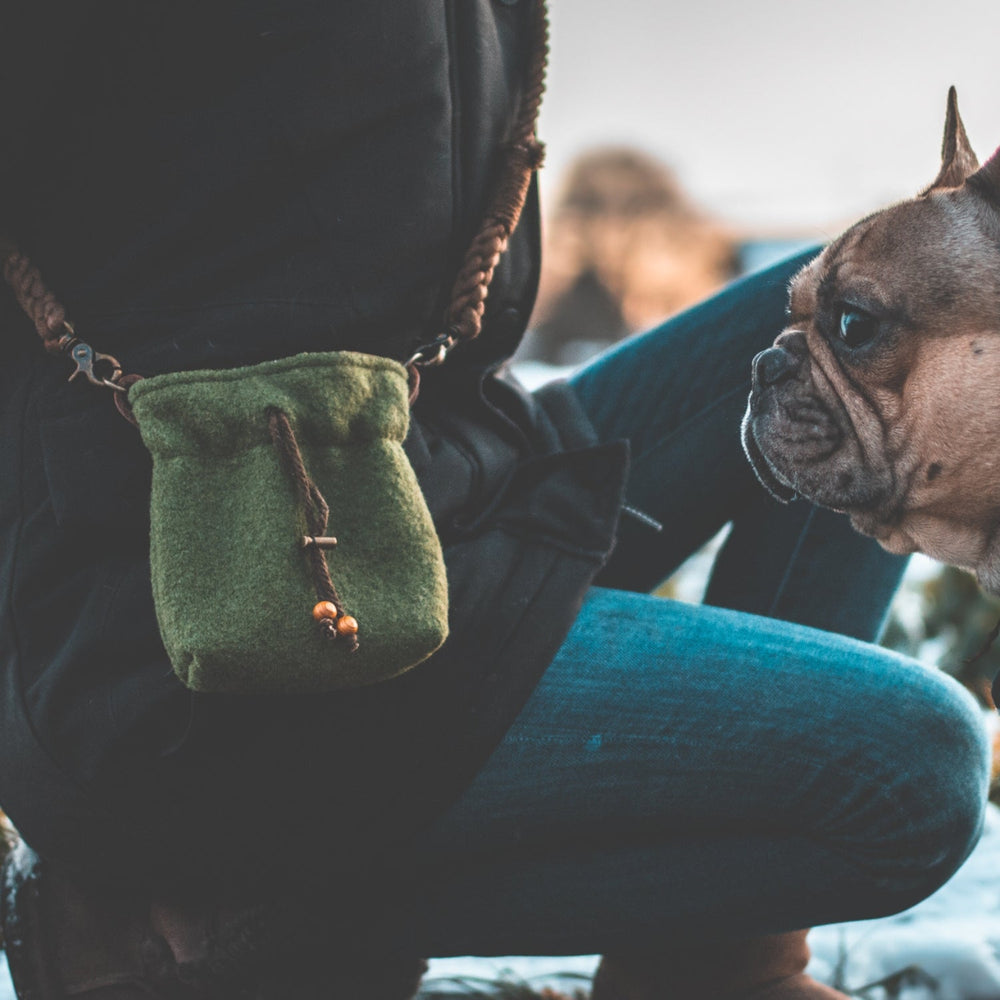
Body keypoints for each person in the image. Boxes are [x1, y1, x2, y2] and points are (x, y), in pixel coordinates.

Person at [0, 3, 989, 998]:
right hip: (214, 612)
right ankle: (246, 920)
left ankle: (708, 965)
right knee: (912, 772)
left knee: (847, 327)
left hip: (452, 479)